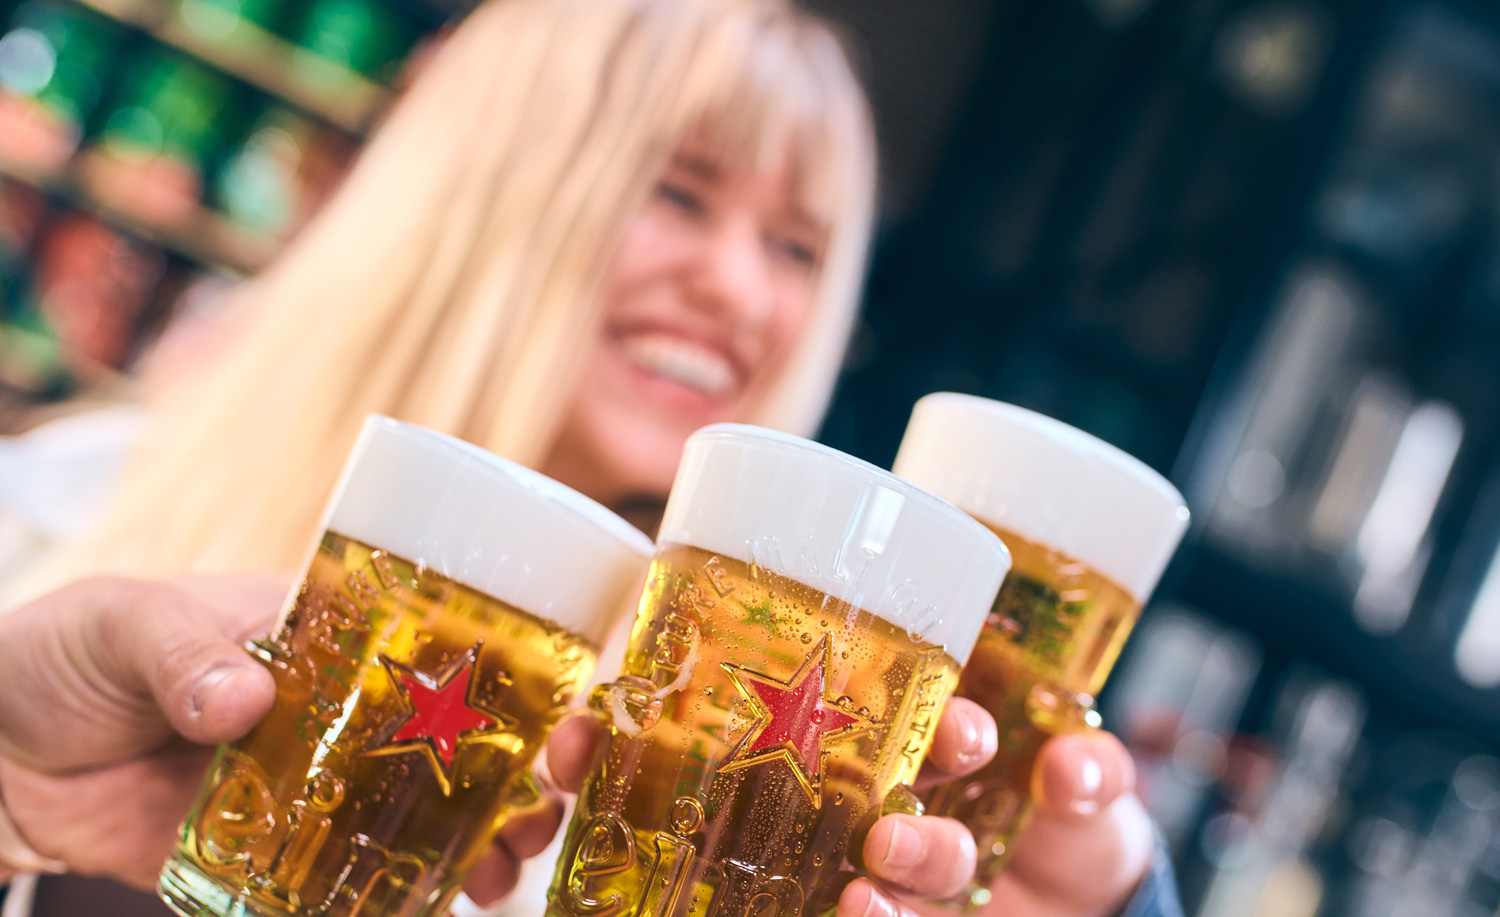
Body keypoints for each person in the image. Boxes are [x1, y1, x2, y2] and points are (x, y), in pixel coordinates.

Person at [0, 1, 1178, 916]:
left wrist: (1115, 903)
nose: (737, 288)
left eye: (797, 247)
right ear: (492, 195)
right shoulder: (61, 513)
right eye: (678, 191)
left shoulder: (715, 769)